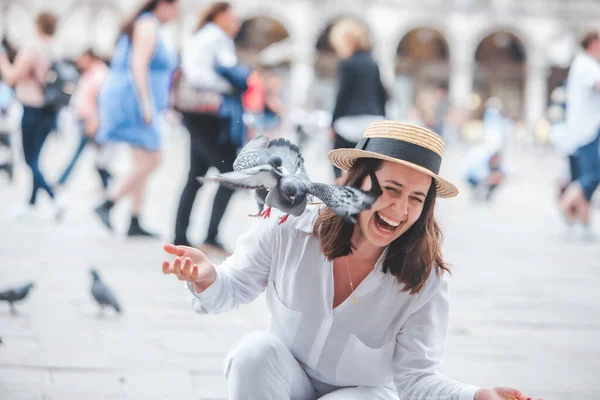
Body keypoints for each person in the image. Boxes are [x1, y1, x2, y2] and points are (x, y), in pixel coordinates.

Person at [161, 120, 536, 400]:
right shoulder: (290, 225)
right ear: (357, 182)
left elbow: (417, 377)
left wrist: (475, 395)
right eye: (391, 189)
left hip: (363, 394)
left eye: (416, 199)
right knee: (253, 353)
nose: (401, 209)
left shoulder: (427, 278)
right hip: (283, 380)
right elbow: (233, 286)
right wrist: (207, 276)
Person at [93, 0, 179, 237]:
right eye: (175, 7)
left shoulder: (148, 24)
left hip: (135, 97)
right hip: (133, 99)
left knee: (141, 161)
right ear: (163, 4)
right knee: (154, 159)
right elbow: (138, 63)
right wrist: (146, 103)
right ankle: (108, 203)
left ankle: (134, 219)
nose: (176, 13)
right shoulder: (148, 24)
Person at [173, 1, 244, 253]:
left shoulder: (202, 36)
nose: (236, 25)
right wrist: (230, 86)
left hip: (200, 115)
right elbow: (197, 75)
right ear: (221, 16)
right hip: (207, 115)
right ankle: (209, 236)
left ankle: (181, 235)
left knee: (195, 176)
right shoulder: (214, 38)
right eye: (233, 19)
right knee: (232, 176)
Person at [0, 12, 63, 219]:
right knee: (36, 157)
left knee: (29, 159)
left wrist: (2, 60)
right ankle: (32, 204)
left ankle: (55, 197)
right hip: (51, 109)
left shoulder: (33, 47)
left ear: (37, 25)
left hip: (32, 108)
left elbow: (12, 77)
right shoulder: (55, 48)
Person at [329, 18, 388, 179]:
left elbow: (342, 96)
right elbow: (382, 96)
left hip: (349, 123)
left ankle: (338, 190)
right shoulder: (373, 64)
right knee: (366, 168)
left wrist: (332, 123)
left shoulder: (346, 64)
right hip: (372, 123)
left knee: (336, 160)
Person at [559, 31, 600, 237]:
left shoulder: (582, 64)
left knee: (580, 179)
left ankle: (582, 224)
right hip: (586, 134)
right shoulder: (586, 64)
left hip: (577, 134)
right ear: (593, 43)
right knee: (592, 176)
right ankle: (564, 205)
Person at [55, 49, 112, 191]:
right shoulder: (92, 72)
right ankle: (107, 179)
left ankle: (63, 179)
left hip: (92, 120)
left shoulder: (100, 74)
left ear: (90, 57)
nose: (79, 62)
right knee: (98, 154)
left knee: (82, 152)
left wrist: (95, 120)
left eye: (82, 58)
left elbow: (102, 100)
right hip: (86, 119)